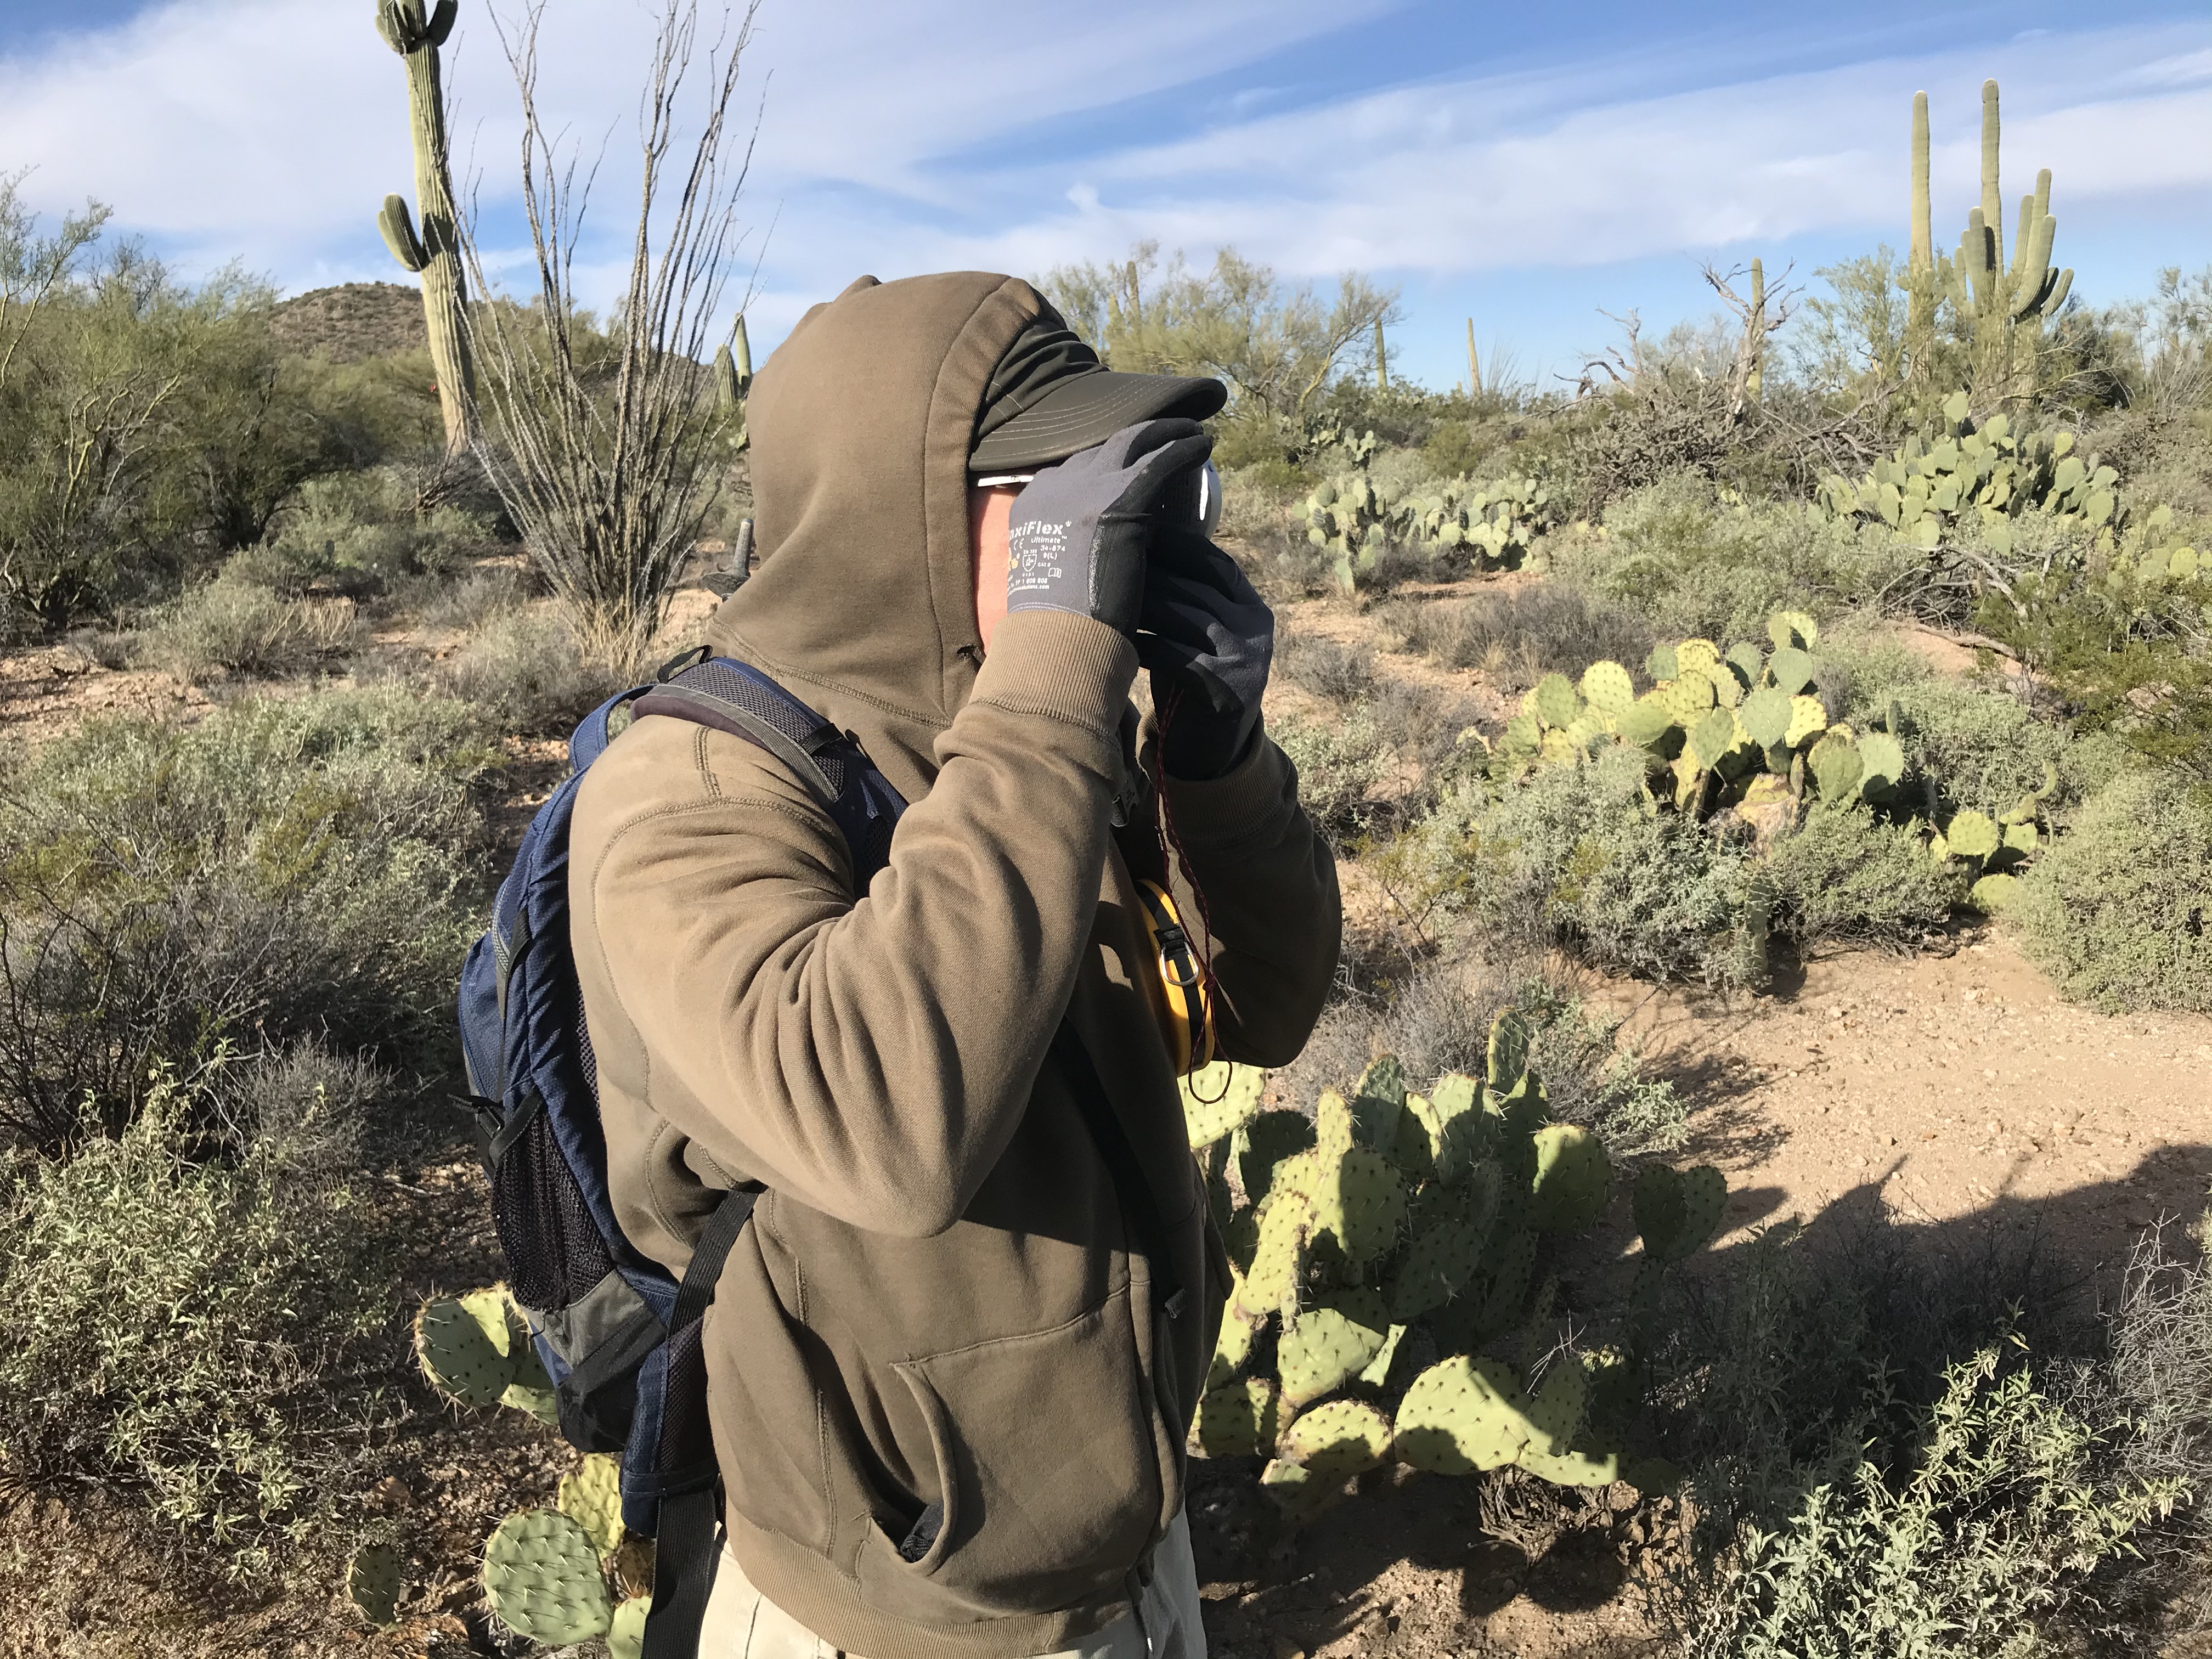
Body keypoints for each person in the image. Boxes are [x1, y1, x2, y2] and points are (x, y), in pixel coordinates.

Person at [568, 271, 1342, 1659]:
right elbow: (883, 1133)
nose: (1112, 534)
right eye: (1060, 494)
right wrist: (1054, 674)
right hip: (898, 1602)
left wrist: (1216, 753)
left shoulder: (1009, 733)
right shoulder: (688, 786)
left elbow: (1265, 1007)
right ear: (902, 515)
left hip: (1125, 1529)